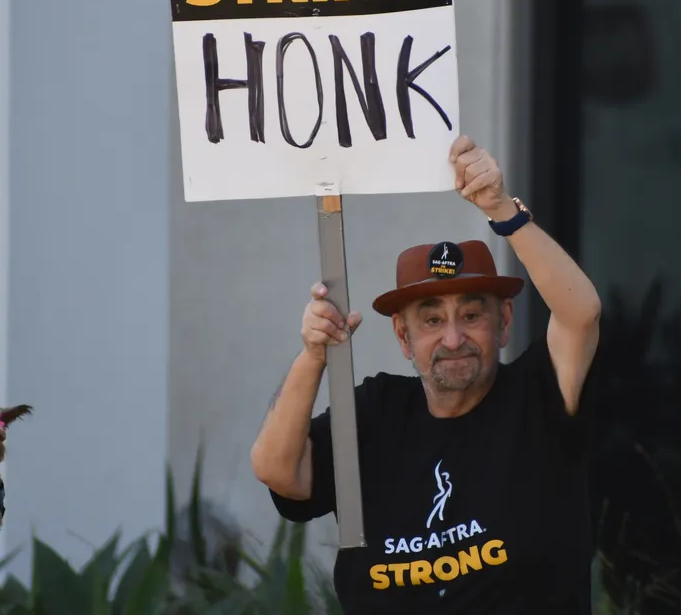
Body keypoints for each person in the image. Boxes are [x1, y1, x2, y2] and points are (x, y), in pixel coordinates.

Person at [250, 136, 604, 613]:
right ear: (403, 337)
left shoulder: (535, 396)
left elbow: (580, 314)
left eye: (472, 316)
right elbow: (277, 471)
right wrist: (314, 354)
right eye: (432, 321)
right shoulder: (376, 412)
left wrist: (502, 209)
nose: (453, 339)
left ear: (504, 324)